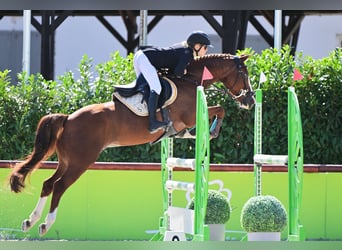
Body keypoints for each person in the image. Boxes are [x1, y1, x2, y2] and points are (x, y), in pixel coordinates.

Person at [133, 30, 212, 134]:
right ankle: (152, 122)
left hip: (141, 56)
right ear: (197, 46)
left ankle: (143, 117)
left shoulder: (184, 50)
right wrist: (183, 71)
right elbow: (178, 73)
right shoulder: (188, 53)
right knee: (156, 88)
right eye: (205, 47)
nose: (206, 51)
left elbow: (172, 70)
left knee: (147, 88)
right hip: (145, 59)